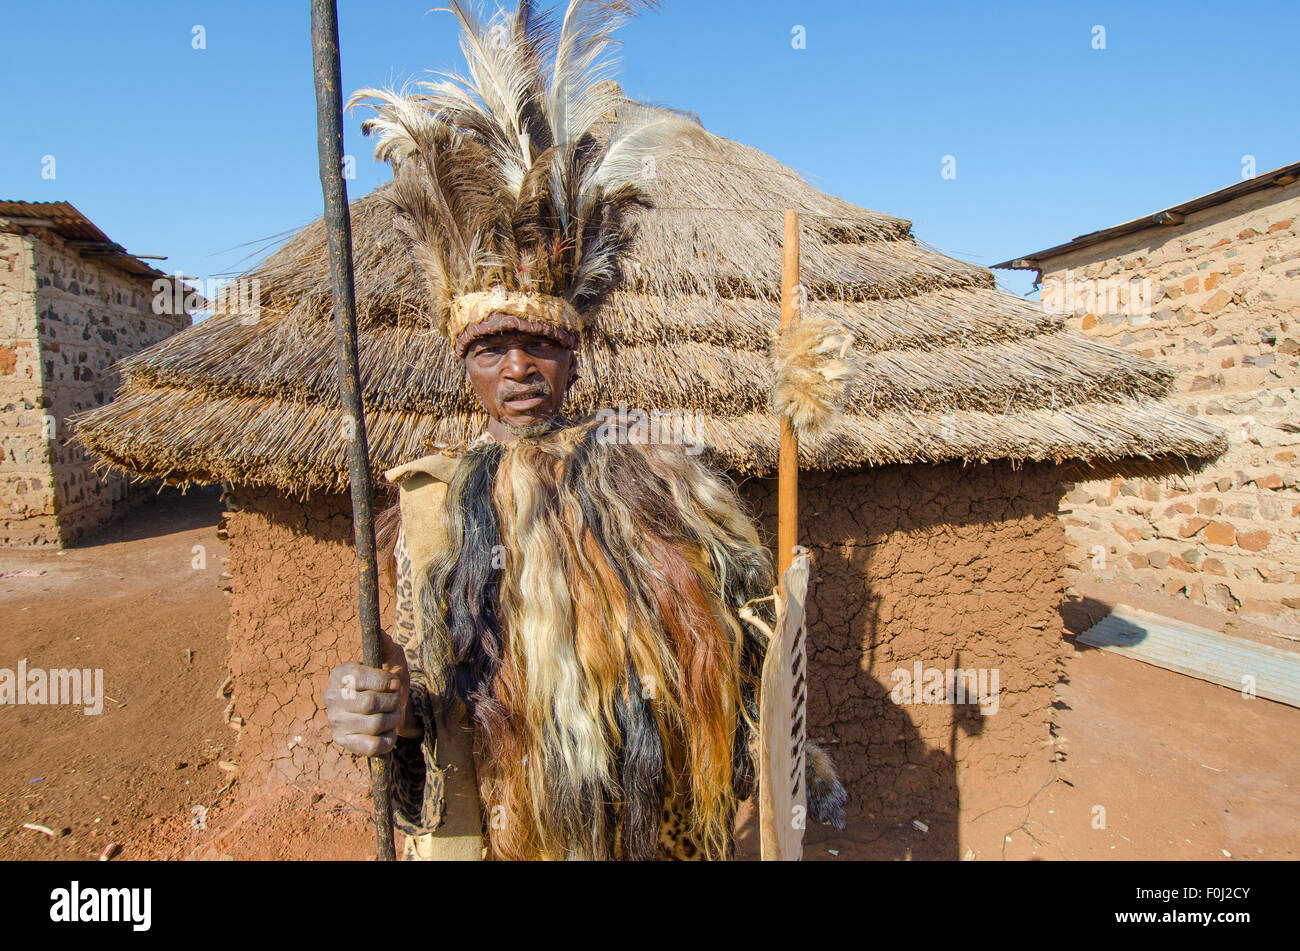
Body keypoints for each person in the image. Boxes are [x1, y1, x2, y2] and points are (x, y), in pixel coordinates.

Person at [321, 0, 844, 860]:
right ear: (462, 362)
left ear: (573, 357)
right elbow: (435, 698)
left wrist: (774, 666)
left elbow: (742, 631)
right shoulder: (431, 512)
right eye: (492, 348)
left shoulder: (655, 473)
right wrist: (386, 708)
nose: (518, 369)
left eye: (540, 345)